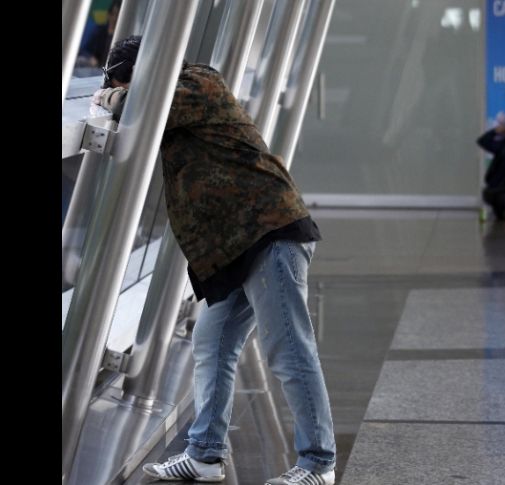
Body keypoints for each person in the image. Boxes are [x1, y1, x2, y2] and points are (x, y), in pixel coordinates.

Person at [93, 36, 336, 485]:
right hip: (237, 247)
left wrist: (112, 98)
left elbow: (144, 107)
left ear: (144, 72)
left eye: (122, 80)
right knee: (213, 342)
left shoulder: (197, 83)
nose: (119, 89)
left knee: (288, 348)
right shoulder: (183, 90)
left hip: (268, 232)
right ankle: (205, 453)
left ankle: (319, 464)